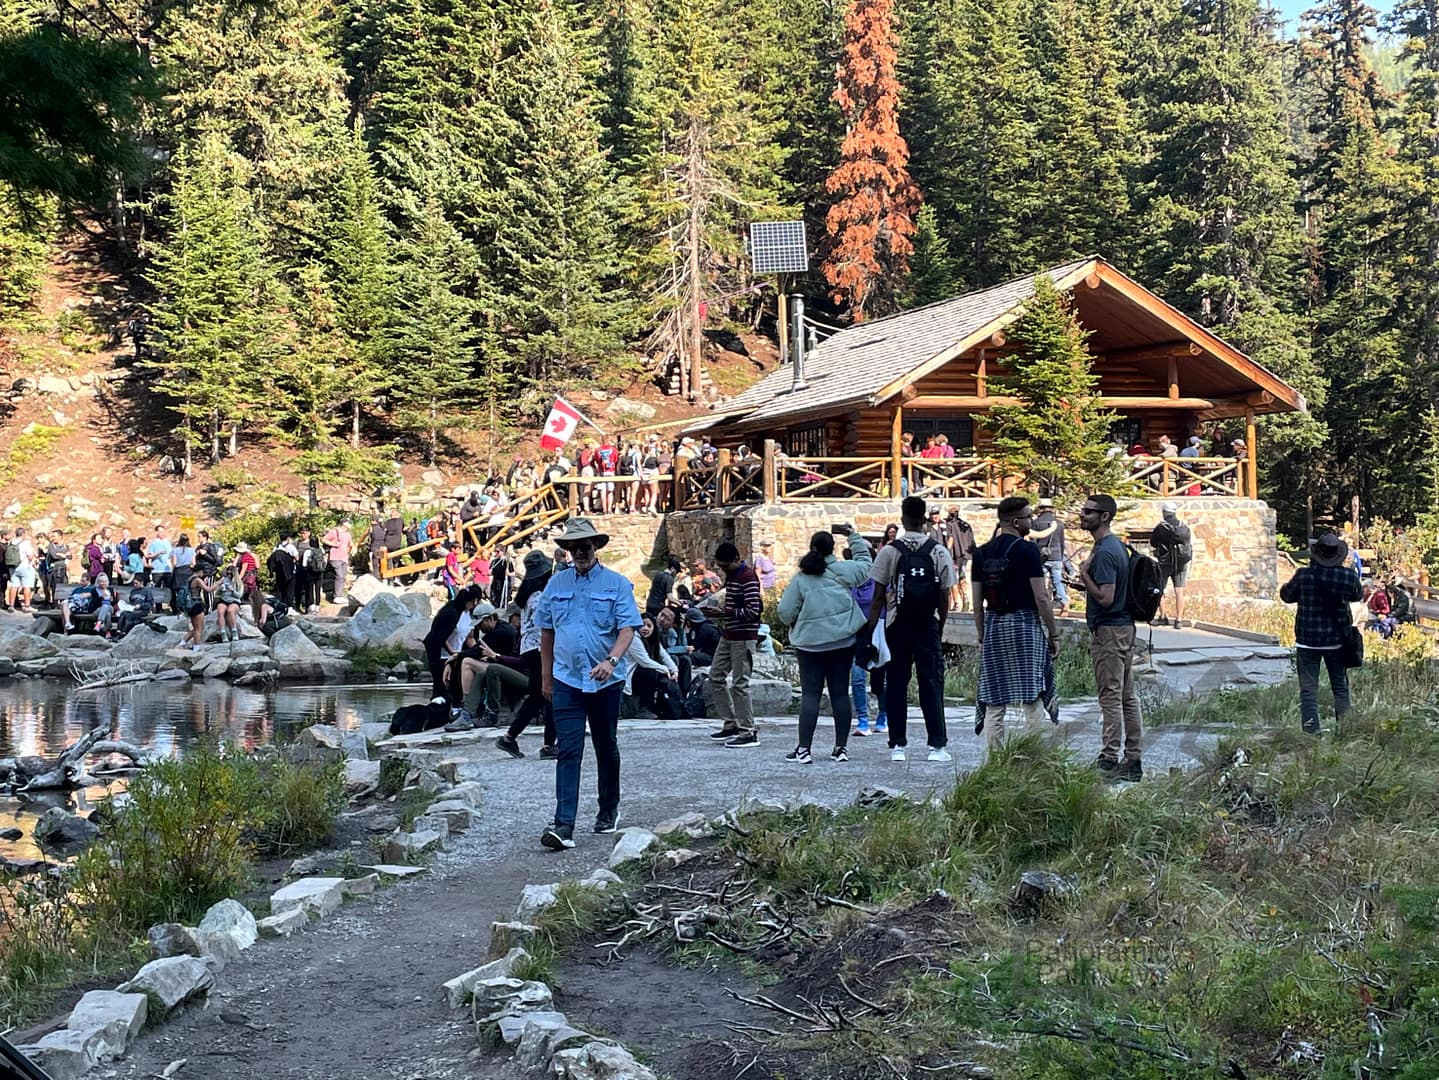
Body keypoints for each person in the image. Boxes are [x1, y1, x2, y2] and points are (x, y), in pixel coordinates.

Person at [536, 517, 643, 850]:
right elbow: (547, 633)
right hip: (566, 678)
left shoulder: (616, 584)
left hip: (606, 681)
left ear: (596, 546)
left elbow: (628, 629)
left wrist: (611, 661)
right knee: (568, 749)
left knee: (605, 745)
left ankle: (608, 809)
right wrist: (545, 677)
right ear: (567, 550)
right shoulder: (555, 586)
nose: (580, 551)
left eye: (585, 545)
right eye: (574, 547)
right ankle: (563, 825)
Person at [866, 496, 956, 762]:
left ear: (903, 518)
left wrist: (872, 629)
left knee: (896, 683)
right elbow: (944, 593)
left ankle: (898, 745)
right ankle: (937, 746)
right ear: (924, 517)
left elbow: (878, 595)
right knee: (931, 682)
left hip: (898, 624)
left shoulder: (890, 551)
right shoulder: (938, 550)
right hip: (927, 623)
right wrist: (940, 623)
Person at [972, 497, 1061, 753]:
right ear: (1015, 521)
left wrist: (982, 635)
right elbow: (1041, 597)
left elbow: (977, 603)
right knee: (1032, 696)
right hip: (1025, 625)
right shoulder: (1027, 550)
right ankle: (1035, 757)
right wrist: (1053, 634)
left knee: (993, 701)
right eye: (1027, 516)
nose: (1031, 521)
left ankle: (995, 761)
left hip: (995, 626)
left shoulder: (981, 553)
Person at [779, 526, 872, 764]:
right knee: (840, 694)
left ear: (812, 549)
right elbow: (865, 562)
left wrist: (796, 622)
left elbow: (785, 612)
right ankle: (840, 748)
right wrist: (853, 535)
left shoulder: (801, 578)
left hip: (809, 645)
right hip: (843, 641)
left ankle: (803, 749)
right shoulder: (844, 571)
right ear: (834, 549)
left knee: (811, 695)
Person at [1078, 493, 1142, 781]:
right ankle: (1133, 758)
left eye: (1089, 512)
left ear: (1104, 516)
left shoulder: (1104, 551)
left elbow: (1106, 596)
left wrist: (1083, 576)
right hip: (1124, 627)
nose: (1083, 515)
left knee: (1111, 696)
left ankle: (1108, 758)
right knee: (1128, 697)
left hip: (1110, 630)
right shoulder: (1117, 546)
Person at [1280, 533, 1362, 734]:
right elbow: (1357, 595)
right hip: (1337, 641)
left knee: (1308, 691)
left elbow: (1286, 596)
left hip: (1307, 641)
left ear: (1316, 554)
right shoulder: (1348, 576)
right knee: (1340, 687)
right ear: (1338, 555)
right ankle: (1344, 729)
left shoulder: (1303, 575)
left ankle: (1311, 731)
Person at [496, 551, 560, 760]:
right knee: (548, 692)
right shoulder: (539, 597)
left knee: (537, 696)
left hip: (528, 648)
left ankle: (509, 736)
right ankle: (549, 744)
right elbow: (546, 622)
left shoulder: (527, 596)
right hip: (540, 648)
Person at [706, 541, 764, 748]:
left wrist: (724, 613)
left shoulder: (748, 577)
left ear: (736, 560)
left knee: (740, 683)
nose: (723, 570)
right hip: (729, 633)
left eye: (725, 566)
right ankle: (731, 723)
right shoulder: (732, 577)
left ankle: (747, 730)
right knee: (715, 676)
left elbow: (753, 610)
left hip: (744, 635)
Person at [423, 586, 486, 702]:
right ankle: (438, 710)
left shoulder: (470, 614)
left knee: (456, 683)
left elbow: (469, 637)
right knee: (441, 684)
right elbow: (440, 637)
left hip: (456, 652)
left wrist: (477, 651)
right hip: (439, 652)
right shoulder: (451, 612)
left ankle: (456, 707)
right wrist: (453, 653)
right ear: (475, 600)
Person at [1150, 502, 1193, 627]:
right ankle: (1179, 619)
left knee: (1160, 588)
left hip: (1165, 562)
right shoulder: (1183, 526)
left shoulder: (1161, 527)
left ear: (1164, 512)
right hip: (1181, 562)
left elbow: (1153, 543)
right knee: (1179, 591)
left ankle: (1163, 616)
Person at [1029, 498, 1069, 616]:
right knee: (1057, 581)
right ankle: (1064, 602)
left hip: (1041, 556)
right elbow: (1062, 543)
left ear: (1040, 509)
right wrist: (1061, 558)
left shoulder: (1036, 523)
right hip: (1056, 555)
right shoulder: (1059, 524)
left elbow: (1033, 542)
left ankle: (1039, 605)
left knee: (1040, 581)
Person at [944, 508, 975, 612]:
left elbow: (950, 540)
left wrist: (947, 554)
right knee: (962, 576)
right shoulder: (966, 525)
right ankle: (965, 597)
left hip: (954, 555)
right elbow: (972, 540)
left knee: (954, 579)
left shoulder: (948, 525)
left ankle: (957, 603)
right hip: (965, 555)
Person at [4, 527, 37, 612]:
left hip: (13, 567)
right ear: (23, 534)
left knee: (14, 585)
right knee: (27, 586)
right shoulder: (26, 543)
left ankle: (11, 605)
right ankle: (27, 606)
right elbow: (30, 556)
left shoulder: (11, 542)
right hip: (24, 566)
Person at [208, 567, 245, 642]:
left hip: (234, 600)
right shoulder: (224, 580)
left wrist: (233, 590)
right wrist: (220, 589)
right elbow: (216, 594)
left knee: (230, 611)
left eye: (230, 574)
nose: (228, 575)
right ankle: (223, 632)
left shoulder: (238, 582)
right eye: (227, 573)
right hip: (224, 600)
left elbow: (239, 595)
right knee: (220, 611)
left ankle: (234, 632)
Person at [233, 542, 263, 626]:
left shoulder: (245, 557)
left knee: (243, 597)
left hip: (246, 580)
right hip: (252, 580)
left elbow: (243, 569)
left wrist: (238, 579)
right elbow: (257, 566)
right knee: (253, 598)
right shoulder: (252, 555)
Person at [323, 520, 352, 601]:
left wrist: (350, 550)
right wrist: (334, 544)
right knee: (339, 576)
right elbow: (324, 539)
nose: (350, 524)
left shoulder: (348, 534)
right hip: (335, 557)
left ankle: (340, 595)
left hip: (344, 558)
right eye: (349, 522)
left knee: (343, 577)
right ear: (344, 523)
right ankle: (337, 596)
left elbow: (350, 544)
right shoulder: (334, 531)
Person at [145, 525, 172, 603]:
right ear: (156, 532)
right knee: (157, 589)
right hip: (157, 570)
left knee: (169, 588)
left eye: (163, 531)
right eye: (160, 531)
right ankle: (158, 607)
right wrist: (158, 553)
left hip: (167, 569)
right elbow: (149, 556)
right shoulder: (153, 543)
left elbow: (171, 554)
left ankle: (172, 606)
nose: (162, 533)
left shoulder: (167, 542)